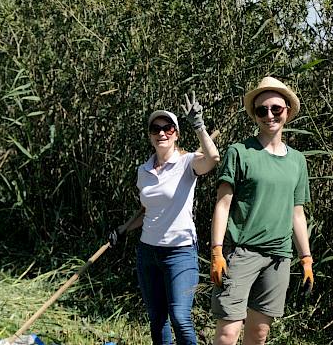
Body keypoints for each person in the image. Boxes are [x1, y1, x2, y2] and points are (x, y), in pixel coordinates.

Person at [108, 92, 220, 345]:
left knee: (180, 317)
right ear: (149, 135)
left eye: (168, 128)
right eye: (155, 129)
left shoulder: (187, 162)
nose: (161, 133)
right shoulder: (143, 171)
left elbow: (213, 159)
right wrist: (123, 229)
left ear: (176, 134)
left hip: (180, 253)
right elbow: (148, 210)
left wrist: (199, 127)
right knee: (157, 318)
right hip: (148, 252)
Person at [210, 77, 313, 345]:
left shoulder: (297, 161)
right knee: (228, 332)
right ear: (255, 115)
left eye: (276, 109)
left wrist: (306, 258)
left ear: (287, 111)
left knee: (259, 333)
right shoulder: (239, 152)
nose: (269, 115)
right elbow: (223, 205)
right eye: (261, 110)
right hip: (241, 253)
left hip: (278, 258)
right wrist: (217, 251)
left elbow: (297, 213)